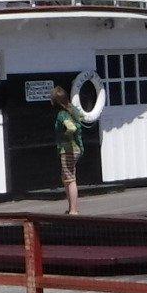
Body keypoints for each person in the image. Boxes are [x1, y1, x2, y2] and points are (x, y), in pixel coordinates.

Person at [52, 84, 83, 215]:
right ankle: (71, 207)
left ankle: (74, 210)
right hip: (77, 148)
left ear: (56, 101)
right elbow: (81, 118)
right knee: (67, 177)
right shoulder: (73, 110)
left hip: (68, 149)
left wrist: (66, 136)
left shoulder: (62, 114)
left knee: (70, 179)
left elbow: (72, 128)